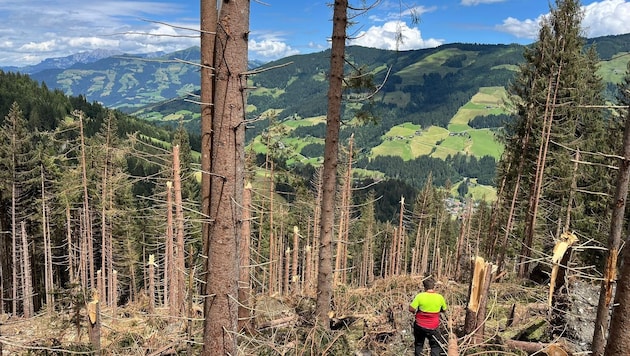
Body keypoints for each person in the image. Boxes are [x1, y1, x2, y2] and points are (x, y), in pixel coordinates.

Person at [409, 277, 448, 356]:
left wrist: (415, 312)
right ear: (434, 286)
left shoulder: (420, 296)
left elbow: (411, 308)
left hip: (419, 325)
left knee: (419, 344)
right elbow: (444, 309)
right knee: (435, 346)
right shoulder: (439, 297)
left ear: (424, 287)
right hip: (433, 327)